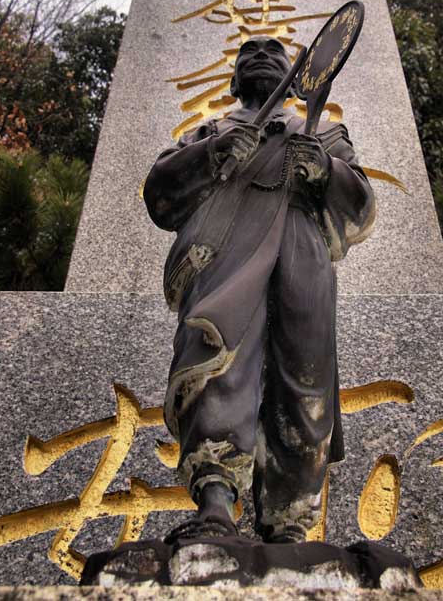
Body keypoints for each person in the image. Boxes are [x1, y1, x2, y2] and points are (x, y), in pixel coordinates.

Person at [144, 37, 376, 543]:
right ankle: (215, 504)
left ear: (295, 80)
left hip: (301, 254)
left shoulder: (322, 133)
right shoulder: (209, 130)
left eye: (276, 53)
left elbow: (359, 205)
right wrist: (213, 154)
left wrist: (322, 170)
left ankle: (289, 525)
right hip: (225, 246)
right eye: (251, 54)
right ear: (234, 80)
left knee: (303, 377)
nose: (265, 55)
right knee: (218, 360)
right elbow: (159, 193)